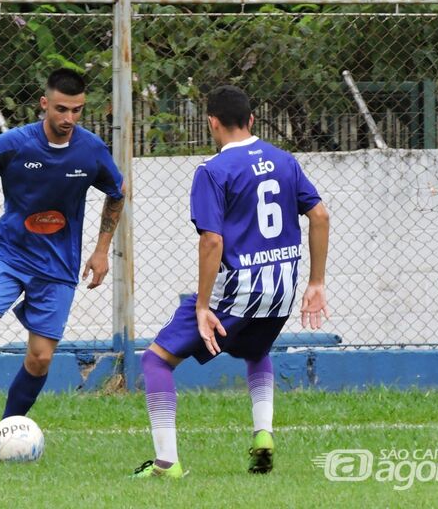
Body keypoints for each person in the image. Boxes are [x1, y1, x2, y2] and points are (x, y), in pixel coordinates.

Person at [131, 85, 330, 478]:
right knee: (254, 350)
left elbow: (212, 240)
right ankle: (263, 435)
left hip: (237, 292)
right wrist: (316, 282)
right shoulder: (284, 161)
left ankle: (166, 464)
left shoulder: (213, 171)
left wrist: (203, 306)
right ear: (252, 120)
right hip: (282, 291)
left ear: (212, 123)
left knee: (156, 360)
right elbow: (320, 216)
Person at [0, 68, 126, 456]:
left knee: (40, 358)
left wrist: (102, 250)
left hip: (58, 266)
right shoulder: (16, 143)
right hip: (9, 254)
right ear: (44, 104)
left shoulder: (91, 150)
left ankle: (5, 433)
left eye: (78, 111)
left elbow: (117, 192)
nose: (69, 119)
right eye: (62, 109)